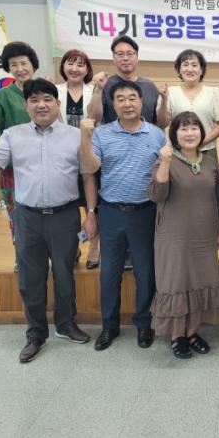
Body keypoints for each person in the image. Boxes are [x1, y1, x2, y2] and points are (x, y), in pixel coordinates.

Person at [0, 78, 90, 363]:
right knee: (31, 278)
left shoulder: (75, 136)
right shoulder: (12, 135)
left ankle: (66, 324)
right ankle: (36, 333)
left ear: (57, 104)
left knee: (64, 273)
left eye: (47, 99)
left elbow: (89, 174)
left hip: (65, 215)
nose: (41, 105)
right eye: (34, 100)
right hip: (28, 217)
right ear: (26, 105)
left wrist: (91, 214)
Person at [80, 79, 166, 352]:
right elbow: (90, 167)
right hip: (111, 212)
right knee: (110, 273)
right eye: (120, 99)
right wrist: (85, 139)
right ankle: (109, 326)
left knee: (145, 272)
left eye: (132, 98)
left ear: (142, 102)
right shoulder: (102, 134)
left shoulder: (156, 135)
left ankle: (144, 324)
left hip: (145, 212)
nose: (127, 104)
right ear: (113, 104)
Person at [148, 111, 219, 359]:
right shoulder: (166, 159)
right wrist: (165, 162)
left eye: (194, 128)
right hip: (173, 237)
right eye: (183, 128)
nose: (190, 133)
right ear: (175, 134)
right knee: (176, 282)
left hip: (204, 234)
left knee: (200, 281)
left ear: (201, 133)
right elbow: (156, 194)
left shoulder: (209, 162)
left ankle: (192, 332)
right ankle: (177, 335)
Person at [0, 41, 39, 269]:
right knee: (18, 216)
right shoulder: (3, 94)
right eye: (14, 64)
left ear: (33, 64)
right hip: (14, 169)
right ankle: (21, 258)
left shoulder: (44, 89)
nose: (20, 68)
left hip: (44, 164)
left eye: (24, 63)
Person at [56, 48, 100, 269]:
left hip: (90, 151)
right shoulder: (54, 90)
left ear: (87, 70)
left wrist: (99, 91)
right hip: (63, 154)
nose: (75, 68)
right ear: (63, 66)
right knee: (68, 206)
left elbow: (99, 117)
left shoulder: (94, 90)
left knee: (92, 205)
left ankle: (94, 245)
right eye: (70, 63)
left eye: (80, 64)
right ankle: (74, 246)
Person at [87, 34, 170, 128]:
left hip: (146, 137)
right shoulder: (104, 84)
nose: (125, 58)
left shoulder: (149, 86)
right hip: (112, 137)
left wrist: (164, 100)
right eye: (120, 54)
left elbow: (163, 124)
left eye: (130, 53)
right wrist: (98, 89)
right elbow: (93, 118)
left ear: (137, 58)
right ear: (114, 58)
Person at [163, 49, 219, 158]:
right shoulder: (170, 92)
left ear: (202, 70)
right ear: (179, 69)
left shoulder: (214, 92)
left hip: (207, 150)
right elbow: (165, 124)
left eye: (194, 65)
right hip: (178, 151)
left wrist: (200, 142)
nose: (189, 69)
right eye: (185, 65)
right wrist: (171, 142)